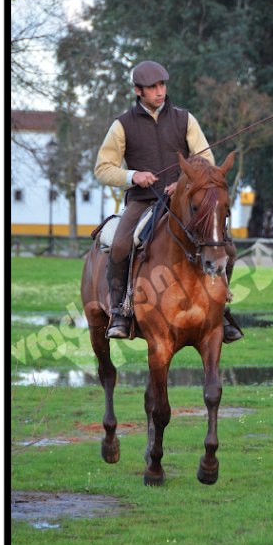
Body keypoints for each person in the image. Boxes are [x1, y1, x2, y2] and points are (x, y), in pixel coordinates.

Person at [95, 60, 240, 341]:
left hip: (183, 201)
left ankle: (220, 309)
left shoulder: (185, 119)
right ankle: (121, 312)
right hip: (143, 200)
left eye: (162, 85)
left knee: (229, 249)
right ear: (138, 91)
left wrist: (185, 183)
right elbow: (103, 168)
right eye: (152, 87)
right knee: (121, 244)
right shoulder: (122, 125)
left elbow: (205, 158)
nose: (160, 91)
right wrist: (133, 176)